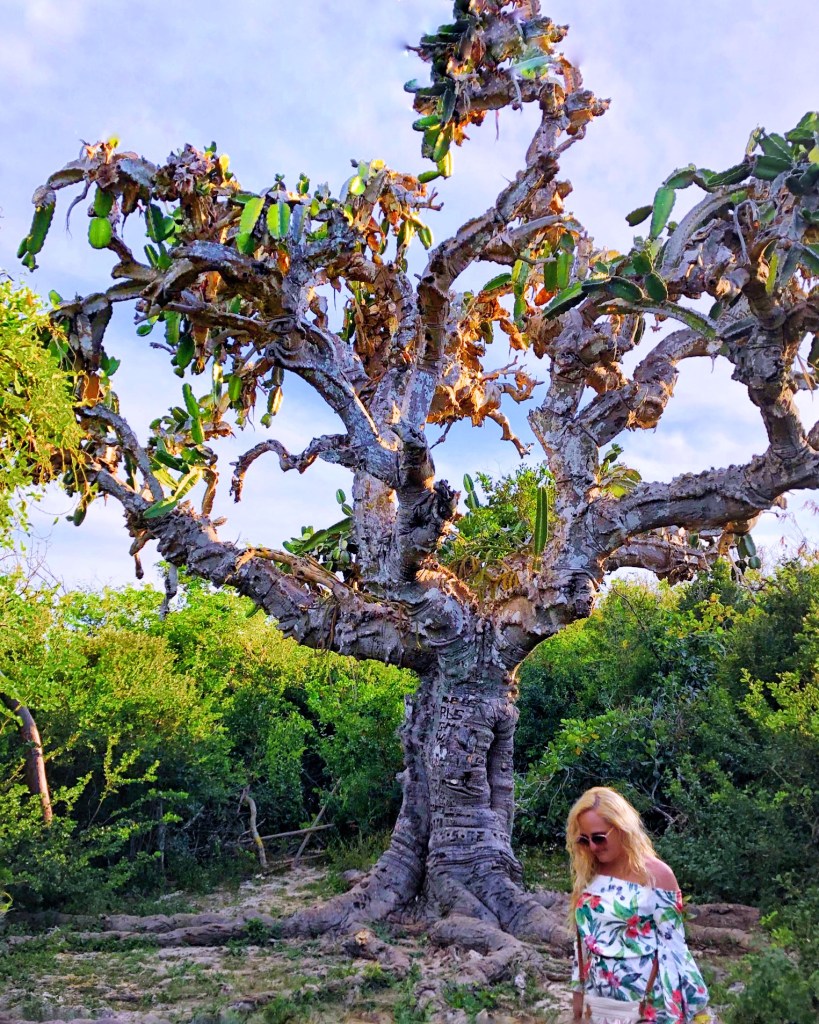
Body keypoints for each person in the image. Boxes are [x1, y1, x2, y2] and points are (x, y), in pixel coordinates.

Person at [566, 786, 711, 1024]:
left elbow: (674, 947)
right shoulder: (589, 873)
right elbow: (582, 942)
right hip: (600, 1000)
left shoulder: (657, 875)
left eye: (599, 837)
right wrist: (578, 998)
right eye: (584, 839)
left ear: (622, 828)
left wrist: (694, 1009)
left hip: (647, 1003)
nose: (592, 847)